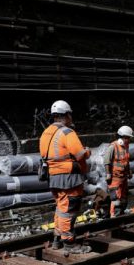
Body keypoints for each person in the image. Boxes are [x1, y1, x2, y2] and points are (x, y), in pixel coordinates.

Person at [39, 100, 91, 253]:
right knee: (69, 210)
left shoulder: (46, 132)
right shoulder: (67, 132)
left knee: (61, 208)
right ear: (67, 115)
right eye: (70, 115)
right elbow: (80, 155)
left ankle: (57, 239)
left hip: (53, 176)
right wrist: (88, 151)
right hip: (69, 178)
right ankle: (69, 242)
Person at [104, 126, 133, 218]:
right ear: (121, 137)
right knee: (115, 199)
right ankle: (114, 216)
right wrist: (108, 174)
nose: (128, 140)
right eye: (127, 138)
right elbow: (107, 161)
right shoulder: (113, 146)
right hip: (114, 178)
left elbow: (126, 161)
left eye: (129, 138)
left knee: (124, 197)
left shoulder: (126, 147)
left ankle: (121, 214)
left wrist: (129, 171)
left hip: (123, 177)